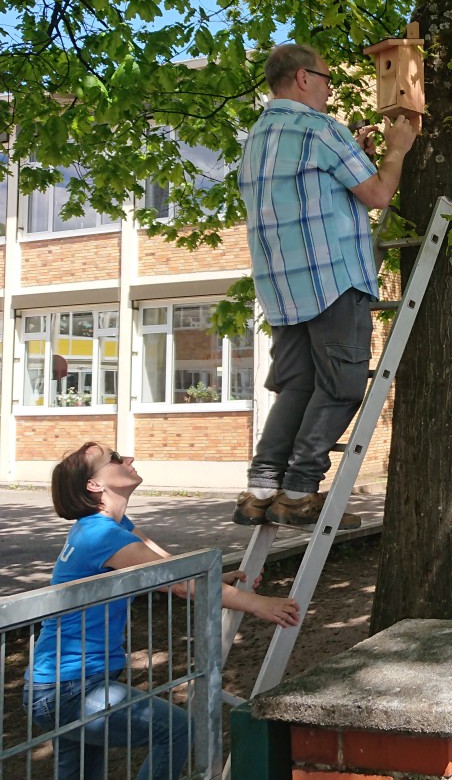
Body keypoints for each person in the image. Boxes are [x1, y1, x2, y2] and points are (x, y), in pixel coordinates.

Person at [26, 442, 300, 779]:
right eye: (113, 458)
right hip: (70, 690)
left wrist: (215, 576)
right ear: (94, 485)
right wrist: (262, 605)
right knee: (175, 729)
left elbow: (170, 567)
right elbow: (181, 583)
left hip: (61, 686)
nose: (128, 458)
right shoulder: (102, 536)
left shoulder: (110, 526)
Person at [233, 43, 418, 529]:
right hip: (332, 278)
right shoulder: (319, 130)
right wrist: (397, 150)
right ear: (301, 78)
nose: (331, 87)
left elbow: (307, 194)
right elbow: (378, 194)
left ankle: (260, 489)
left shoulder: (255, 140)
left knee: (296, 386)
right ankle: (298, 490)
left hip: (280, 287)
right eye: (326, 77)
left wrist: (354, 154)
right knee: (341, 385)